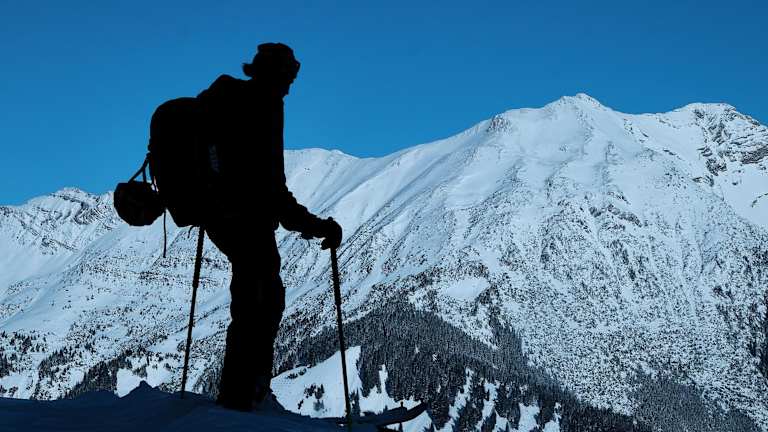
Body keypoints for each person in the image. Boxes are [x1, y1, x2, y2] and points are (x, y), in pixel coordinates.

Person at [196, 43, 342, 411]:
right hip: (248, 220)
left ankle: (244, 393)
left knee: (253, 302)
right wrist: (316, 226)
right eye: (288, 78)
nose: (290, 87)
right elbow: (271, 187)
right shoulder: (264, 107)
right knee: (260, 304)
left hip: (220, 216)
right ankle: (242, 396)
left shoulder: (226, 101)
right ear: (274, 75)